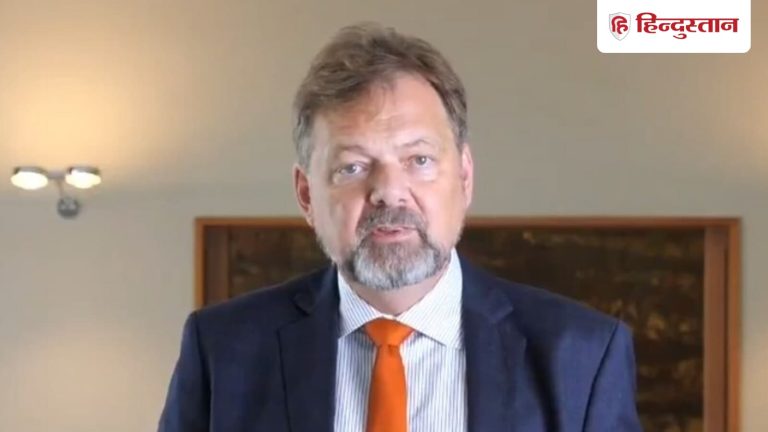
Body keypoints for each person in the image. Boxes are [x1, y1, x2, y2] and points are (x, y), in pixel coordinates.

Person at [158, 23, 642, 432]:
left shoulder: (582, 357)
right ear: (306, 195)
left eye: (419, 160)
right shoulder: (222, 351)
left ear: (465, 177)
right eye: (352, 167)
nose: (389, 192)